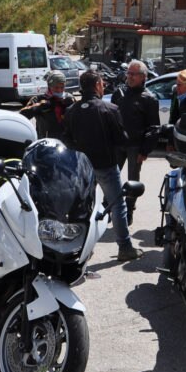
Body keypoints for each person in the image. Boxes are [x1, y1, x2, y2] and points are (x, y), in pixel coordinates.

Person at [64, 71, 141, 262]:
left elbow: (66, 139)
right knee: (117, 206)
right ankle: (125, 248)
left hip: (81, 167)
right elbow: (121, 139)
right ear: (97, 85)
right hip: (105, 165)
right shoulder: (109, 108)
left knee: (81, 208)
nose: (104, 86)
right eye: (102, 83)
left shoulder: (72, 110)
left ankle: (78, 249)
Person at [111, 60, 160, 225]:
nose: (129, 77)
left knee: (133, 181)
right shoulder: (119, 93)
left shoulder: (150, 98)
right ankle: (110, 207)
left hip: (135, 146)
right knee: (111, 178)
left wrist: (144, 151)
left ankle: (129, 210)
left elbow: (153, 128)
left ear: (143, 77)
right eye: (128, 73)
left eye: (133, 74)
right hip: (116, 144)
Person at [19, 71, 73, 140]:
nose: (59, 90)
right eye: (56, 87)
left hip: (66, 142)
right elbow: (22, 114)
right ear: (49, 86)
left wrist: (72, 106)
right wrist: (40, 106)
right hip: (46, 141)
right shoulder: (38, 99)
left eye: (62, 87)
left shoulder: (69, 98)